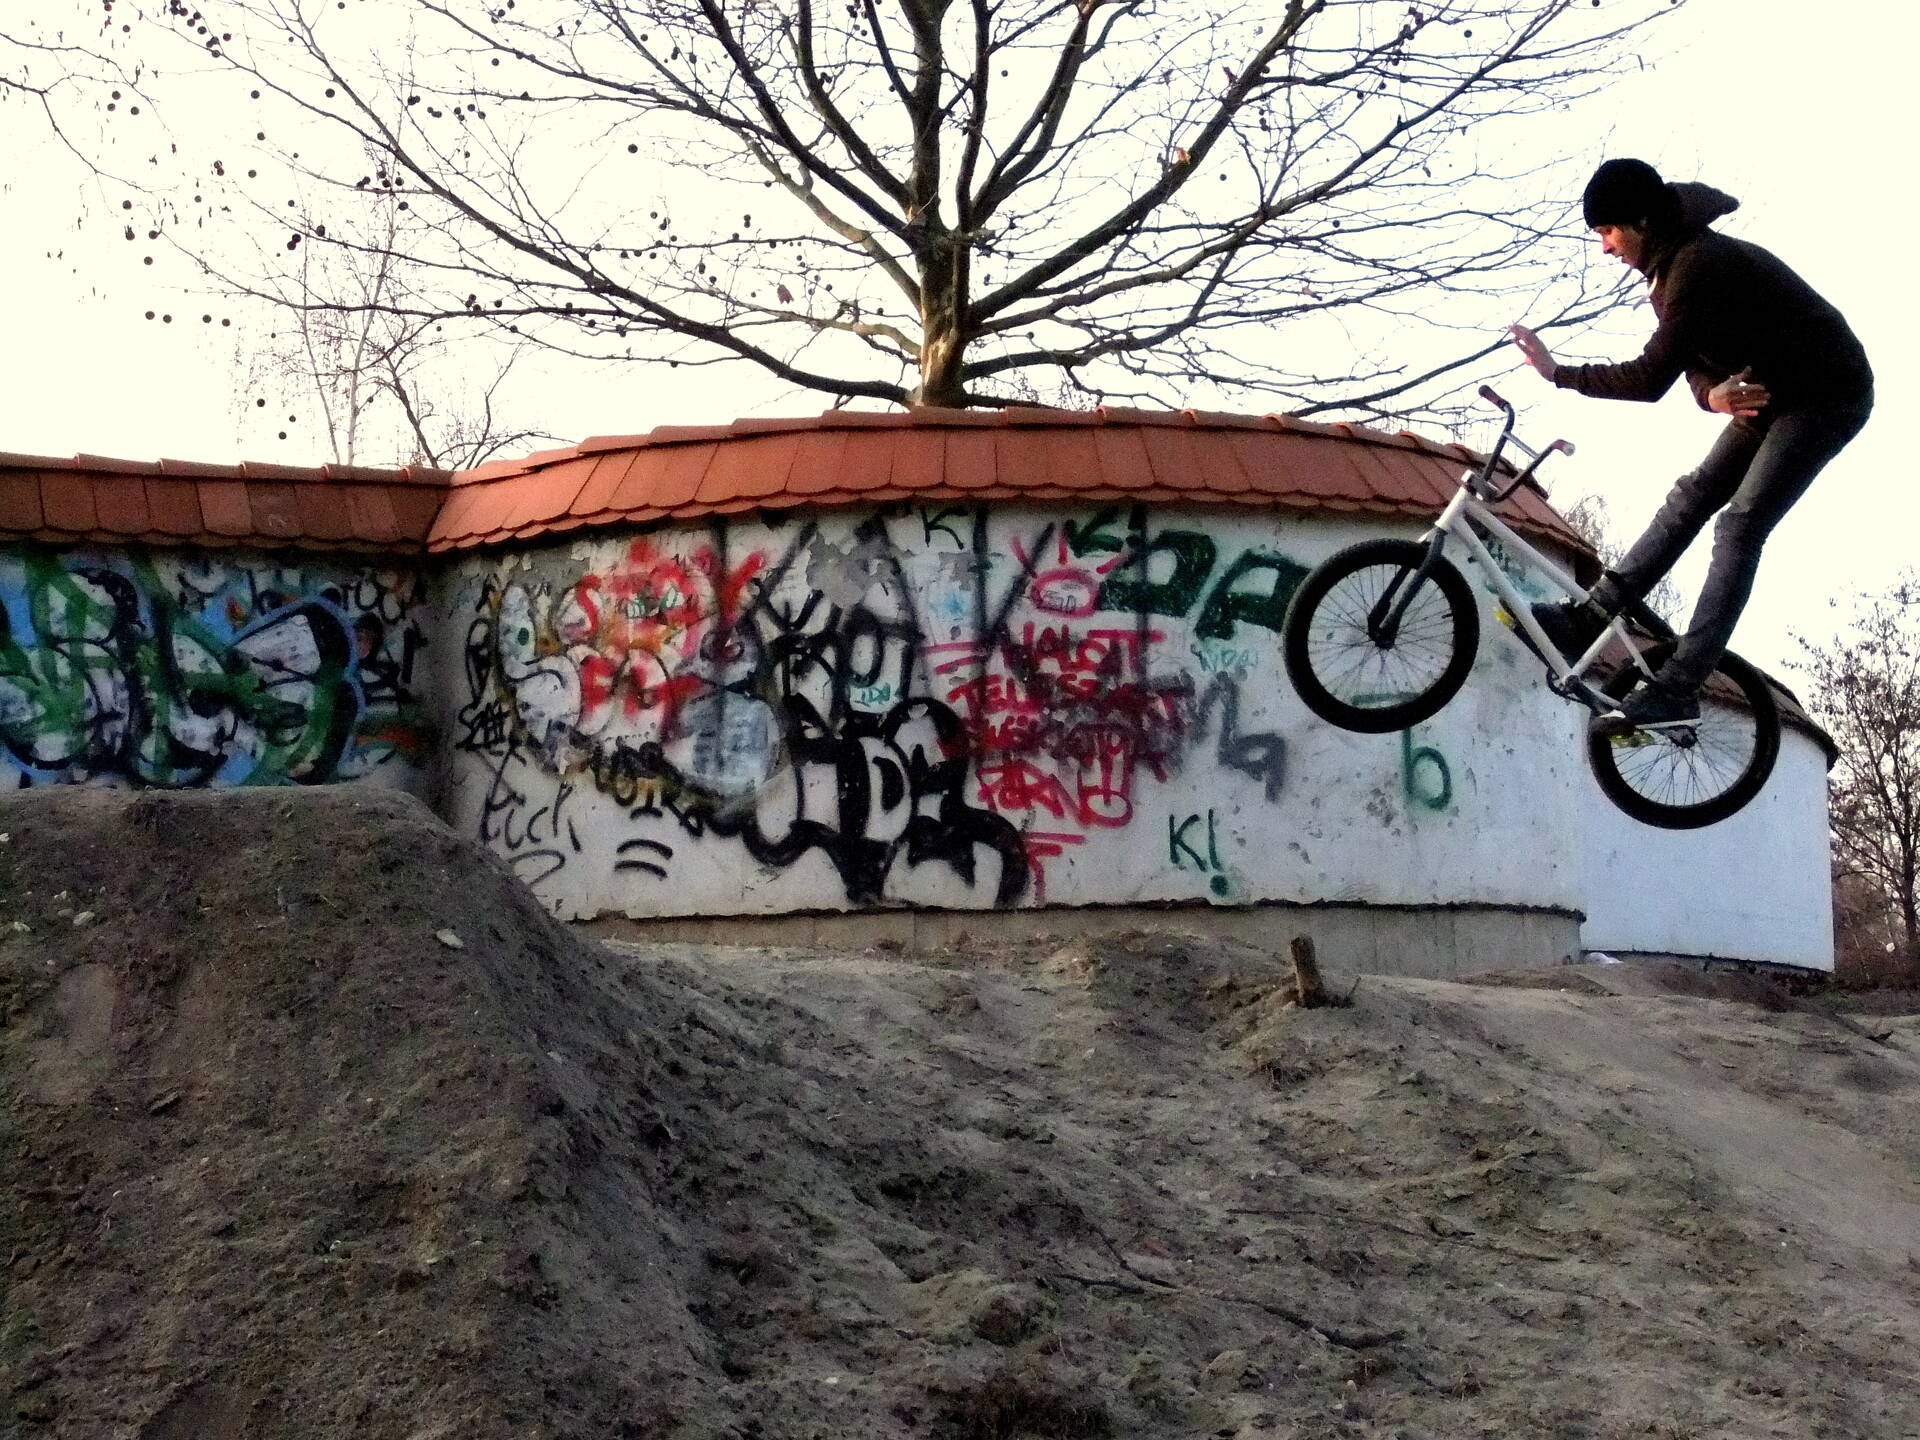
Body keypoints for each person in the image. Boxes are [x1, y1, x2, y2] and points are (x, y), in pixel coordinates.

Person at [1508, 158, 1873, 729]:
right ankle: (1589, 619)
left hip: (1827, 394)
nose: (1605, 248)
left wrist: (1559, 373)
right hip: (1769, 393)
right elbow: (1692, 362)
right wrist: (1711, 396)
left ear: (1642, 221)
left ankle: (1680, 687)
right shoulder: (1668, 269)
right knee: (1692, 495)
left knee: (1740, 525)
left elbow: (1650, 378)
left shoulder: (1697, 265)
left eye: (1608, 232)